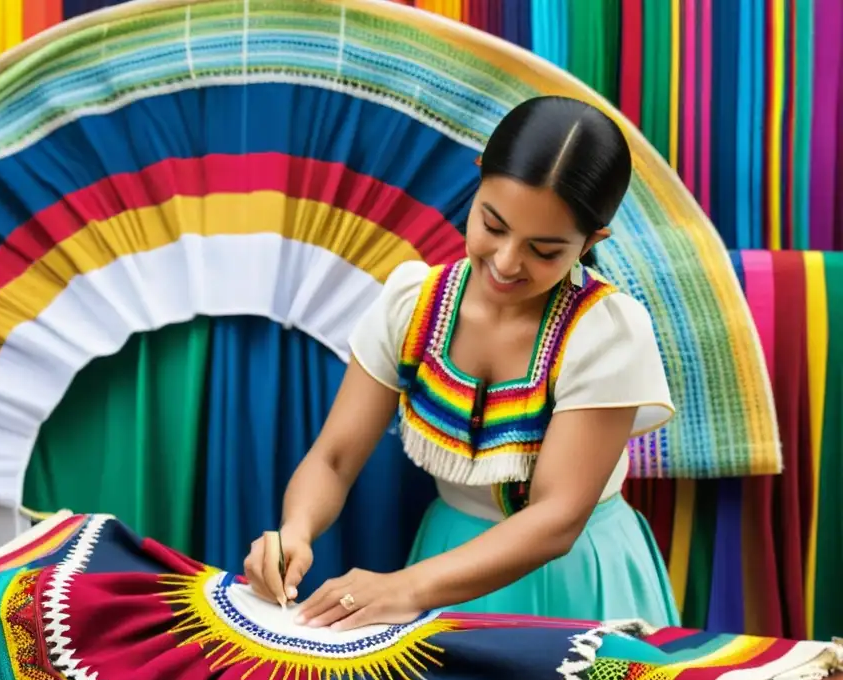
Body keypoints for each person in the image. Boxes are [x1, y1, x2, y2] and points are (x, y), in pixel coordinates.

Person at [244, 95, 680, 632]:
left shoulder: (607, 332)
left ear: (592, 241)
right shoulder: (411, 306)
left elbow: (556, 519)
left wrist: (405, 588)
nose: (505, 262)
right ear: (478, 181)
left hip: (577, 578)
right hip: (446, 559)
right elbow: (333, 459)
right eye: (492, 225)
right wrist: (295, 531)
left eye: (545, 251)